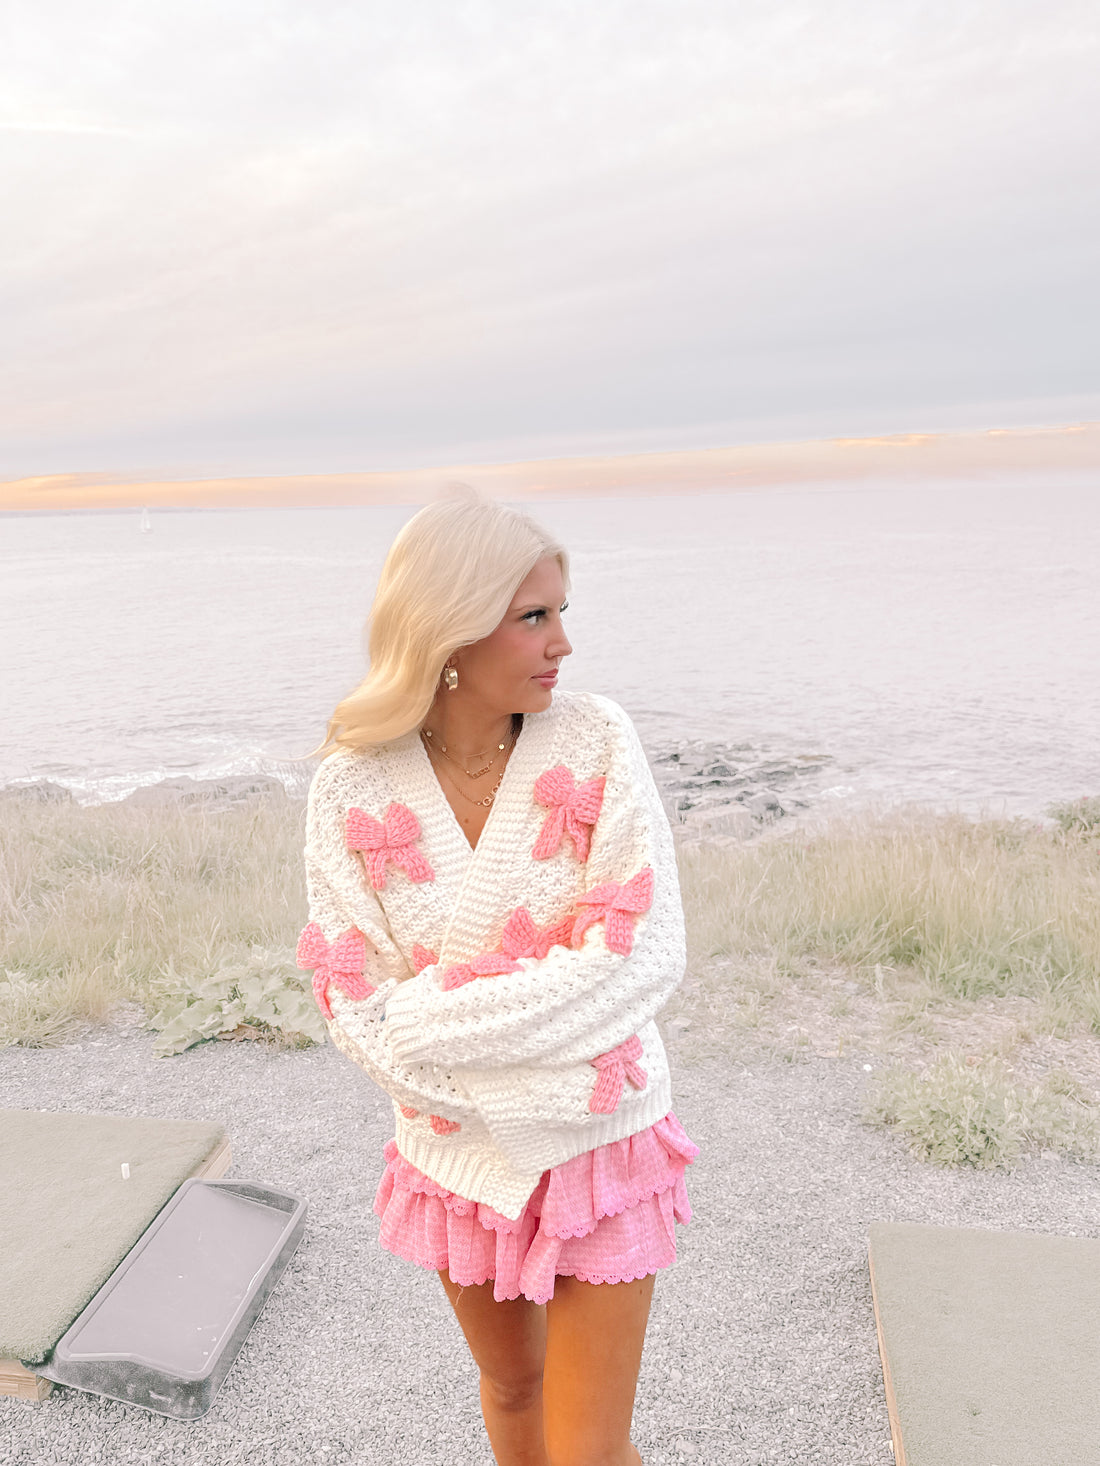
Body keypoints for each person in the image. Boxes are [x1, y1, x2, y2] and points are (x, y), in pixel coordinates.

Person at [299, 489, 697, 1466]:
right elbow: (353, 998)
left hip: (600, 1139)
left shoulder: (596, 740)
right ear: (448, 627)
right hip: (454, 1157)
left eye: (562, 611)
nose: (563, 642)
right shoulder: (352, 784)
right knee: (513, 1389)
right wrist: (497, 1055)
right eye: (533, 615)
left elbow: (640, 952)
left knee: (588, 1451)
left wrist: (433, 1016)